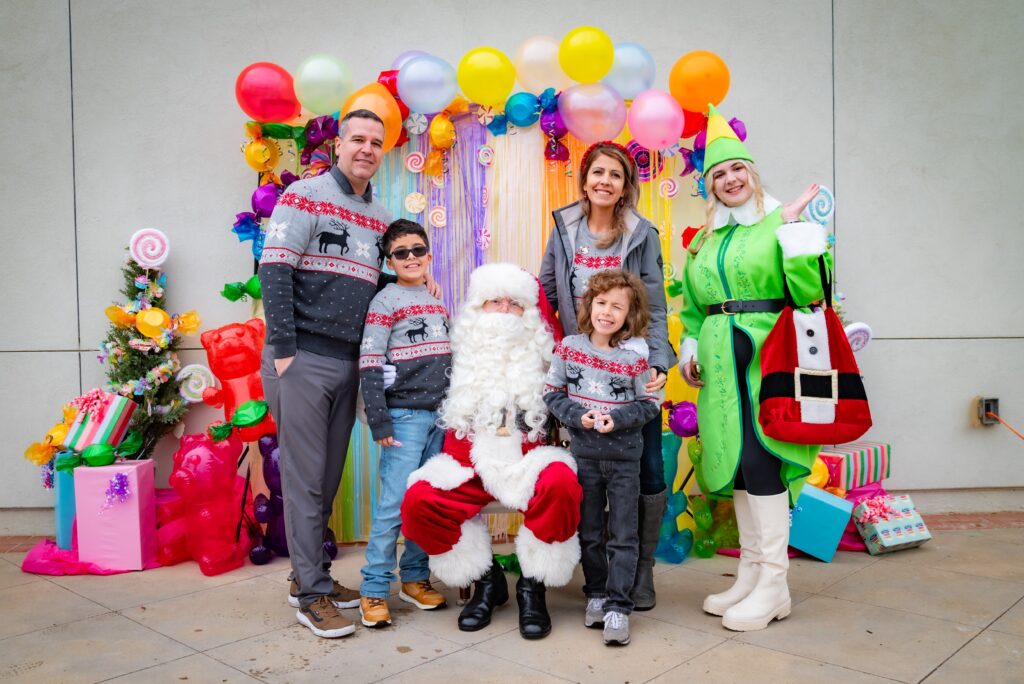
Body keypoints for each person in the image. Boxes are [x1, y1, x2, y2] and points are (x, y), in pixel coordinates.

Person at [258, 109, 437, 639]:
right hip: (303, 360)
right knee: (305, 481)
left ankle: (306, 577)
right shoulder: (304, 195)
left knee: (328, 478)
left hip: (351, 361)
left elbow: (375, 276)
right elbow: (274, 267)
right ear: (338, 145)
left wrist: (418, 289)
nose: (367, 148)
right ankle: (312, 596)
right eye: (357, 139)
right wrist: (286, 349)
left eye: (376, 142)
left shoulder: (380, 218)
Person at [678, 105, 829, 632]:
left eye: (736, 168)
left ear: (752, 171)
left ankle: (774, 583)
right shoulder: (705, 239)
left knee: (764, 463)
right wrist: (690, 347)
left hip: (771, 365)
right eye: (718, 174)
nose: (729, 179)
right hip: (720, 374)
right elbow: (694, 309)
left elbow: (810, 296)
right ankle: (751, 573)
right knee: (741, 467)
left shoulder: (779, 221)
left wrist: (794, 236)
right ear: (710, 186)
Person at [401, 263, 583, 640]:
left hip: (526, 461)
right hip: (467, 464)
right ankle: (487, 581)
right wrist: (414, 282)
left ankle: (533, 587)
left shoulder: (548, 356)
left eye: (514, 303)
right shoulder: (458, 349)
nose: (503, 310)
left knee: (562, 483)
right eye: (494, 301)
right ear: (477, 310)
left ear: (529, 313)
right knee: (419, 501)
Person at [539, 141, 677, 610]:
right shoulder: (563, 227)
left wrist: (657, 361)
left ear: (625, 187)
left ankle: (640, 570)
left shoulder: (642, 233)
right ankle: (598, 574)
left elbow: (655, 306)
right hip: (580, 371)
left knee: (650, 467)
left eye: (614, 175)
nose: (604, 181)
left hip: (633, 366)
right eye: (597, 172)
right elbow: (547, 292)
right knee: (590, 472)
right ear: (584, 179)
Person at [543, 269, 660, 646]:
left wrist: (617, 419)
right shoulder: (569, 349)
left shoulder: (633, 360)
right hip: (585, 458)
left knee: (623, 535)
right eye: (602, 303)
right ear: (589, 305)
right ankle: (595, 592)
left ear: (630, 315)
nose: (607, 312)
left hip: (626, 460)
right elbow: (552, 394)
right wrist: (580, 416)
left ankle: (618, 606)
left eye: (618, 307)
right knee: (591, 532)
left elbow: (648, 405)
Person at [357, 219, 451, 628]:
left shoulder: (437, 300)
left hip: (440, 415)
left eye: (418, 250)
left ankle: (414, 578)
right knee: (393, 505)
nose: (411, 258)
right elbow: (370, 361)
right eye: (401, 253)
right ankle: (374, 589)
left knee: (424, 501)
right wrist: (379, 419)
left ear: (429, 255)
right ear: (389, 260)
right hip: (405, 417)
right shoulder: (384, 302)